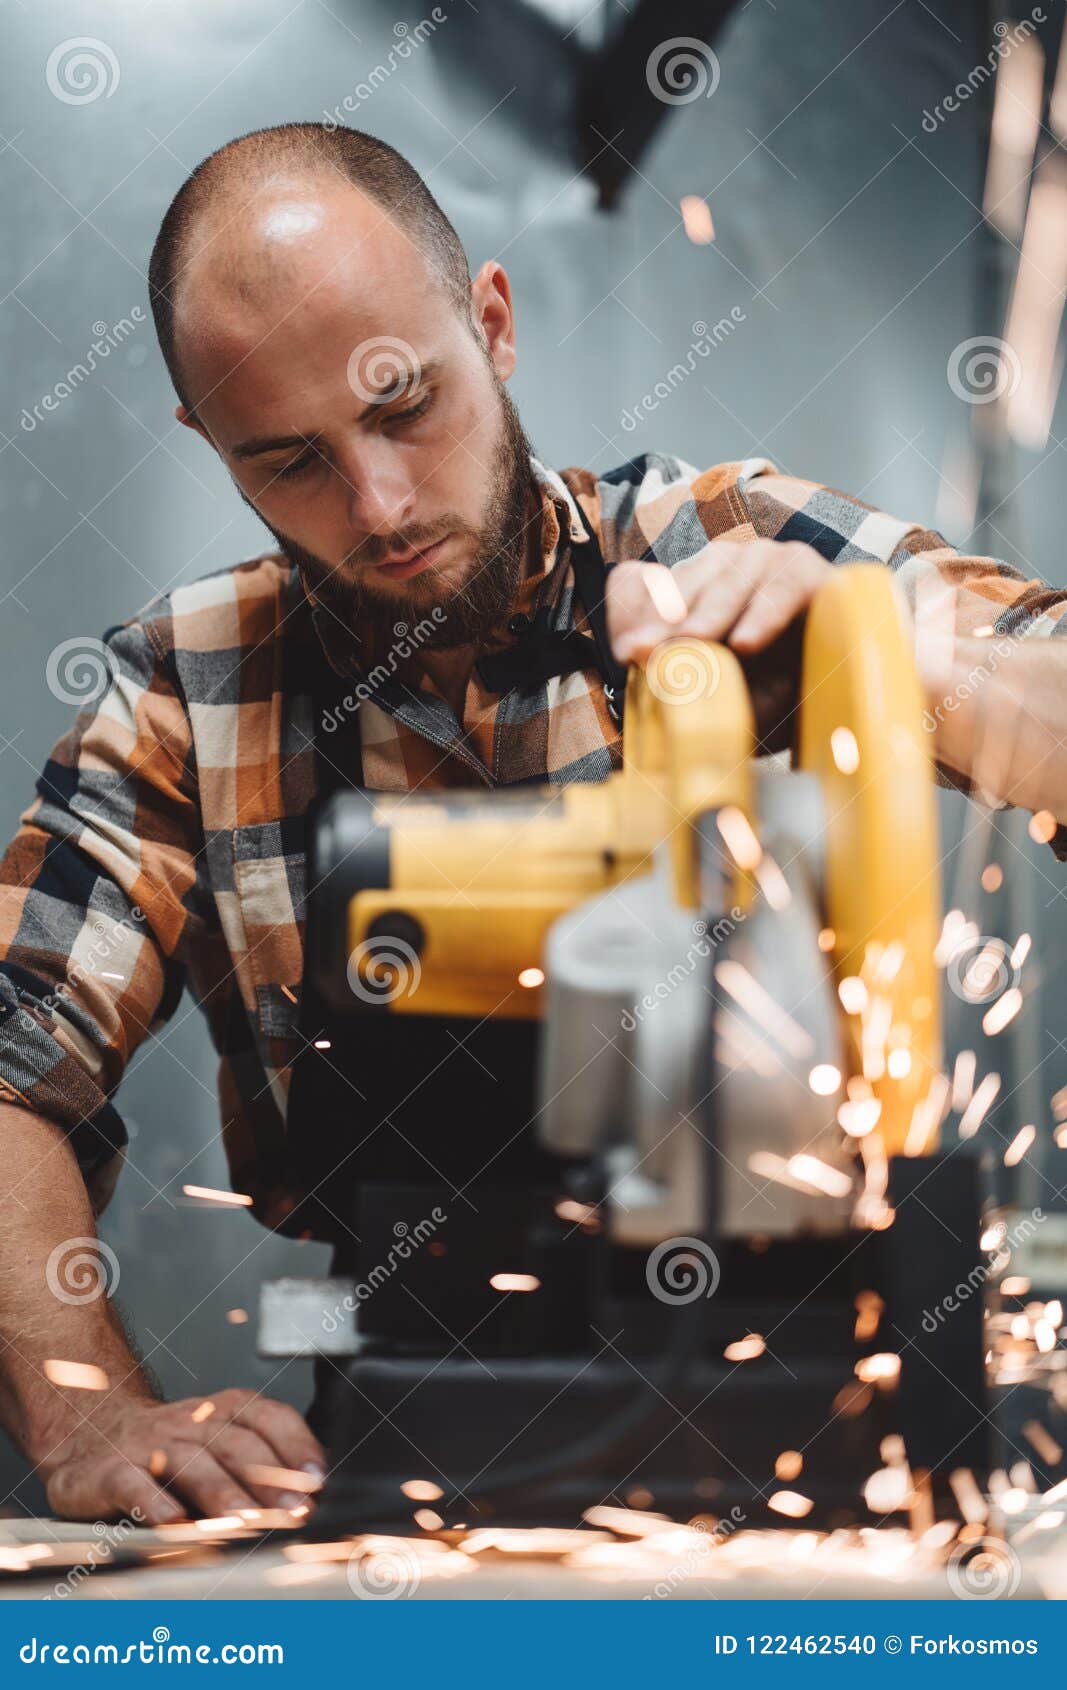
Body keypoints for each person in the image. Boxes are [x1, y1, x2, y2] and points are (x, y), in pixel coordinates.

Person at [0, 122, 1064, 1527]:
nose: (378, 505)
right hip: (419, 1413)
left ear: (489, 324)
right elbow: (14, 1073)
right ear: (210, 441)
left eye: (402, 407)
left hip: (817, 1387)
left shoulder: (729, 543)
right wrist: (92, 1411)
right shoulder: (185, 690)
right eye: (292, 460)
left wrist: (903, 662)